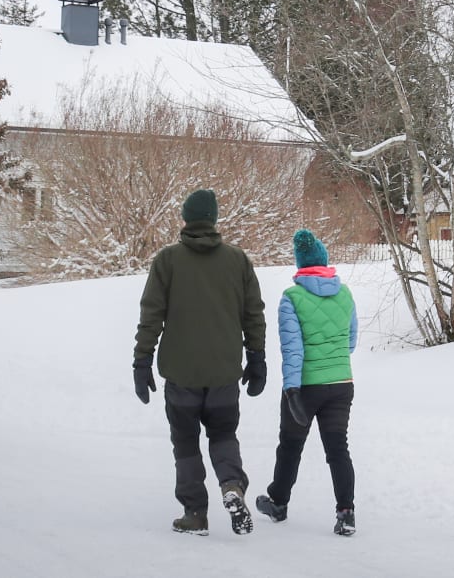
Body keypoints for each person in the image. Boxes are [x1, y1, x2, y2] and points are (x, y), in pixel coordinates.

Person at [133, 189, 268, 536]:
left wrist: (142, 360)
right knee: (224, 434)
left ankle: (195, 513)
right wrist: (256, 358)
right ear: (214, 219)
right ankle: (232, 485)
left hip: (181, 374)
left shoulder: (167, 260)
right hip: (224, 372)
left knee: (186, 442)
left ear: (185, 218)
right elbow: (253, 314)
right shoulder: (238, 260)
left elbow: (152, 315)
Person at [255, 228, 360, 537]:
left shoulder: (292, 298)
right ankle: (346, 512)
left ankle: (278, 502)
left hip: (306, 386)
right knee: (337, 448)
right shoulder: (345, 294)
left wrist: (291, 389)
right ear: (324, 261)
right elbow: (351, 342)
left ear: (300, 265)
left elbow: (293, 349)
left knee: (290, 445)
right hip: (342, 383)